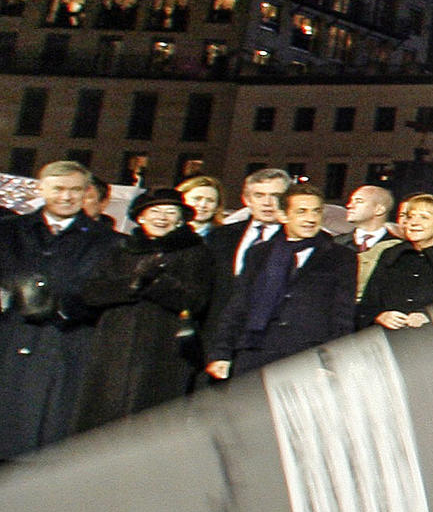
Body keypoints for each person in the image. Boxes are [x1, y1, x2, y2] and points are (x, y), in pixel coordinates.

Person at [0, 160, 118, 458]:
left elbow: (107, 294)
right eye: (58, 189)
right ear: (41, 189)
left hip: (65, 346)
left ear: (86, 192)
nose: (66, 197)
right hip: (9, 340)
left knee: (45, 439)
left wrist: (64, 307)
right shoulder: (9, 232)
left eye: (75, 190)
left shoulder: (107, 242)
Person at [71, 189, 212, 432]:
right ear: (141, 217)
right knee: (104, 414)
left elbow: (195, 300)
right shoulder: (122, 249)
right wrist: (132, 284)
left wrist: (156, 284)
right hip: (113, 346)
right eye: (154, 211)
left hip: (163, 346)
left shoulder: (195, 252)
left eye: (170, 212)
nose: (162, 218)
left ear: (181, 219)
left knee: (150, 416)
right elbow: (92, 292)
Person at [206, 185, 356, 378]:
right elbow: (239, 305)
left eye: (316, 211)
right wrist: (221, 353)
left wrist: (333, 360)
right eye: (301, 212)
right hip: (256, 349)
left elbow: (343, 313)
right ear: (283, 215)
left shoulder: (340, 256)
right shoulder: (260, 253)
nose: (310, 219)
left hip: (308, 355)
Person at [358, 194, 433, 330]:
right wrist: (380, 316)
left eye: (424, 217)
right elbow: (367, 304)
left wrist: (430, 317)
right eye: (410, 217)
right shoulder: (391, 254)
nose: (413, 223)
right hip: (390, 336)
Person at [207, 168, 292, 287]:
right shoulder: (221, 235)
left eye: (276, 196)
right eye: (259, 195)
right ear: (246, 200)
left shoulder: (296, 238)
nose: (267, 203)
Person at [339, 184, 403, 301]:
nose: (349, 206)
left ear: (379, 209)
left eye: (359, 201)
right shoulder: (335, 244)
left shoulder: (399, 248)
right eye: (351, 201)